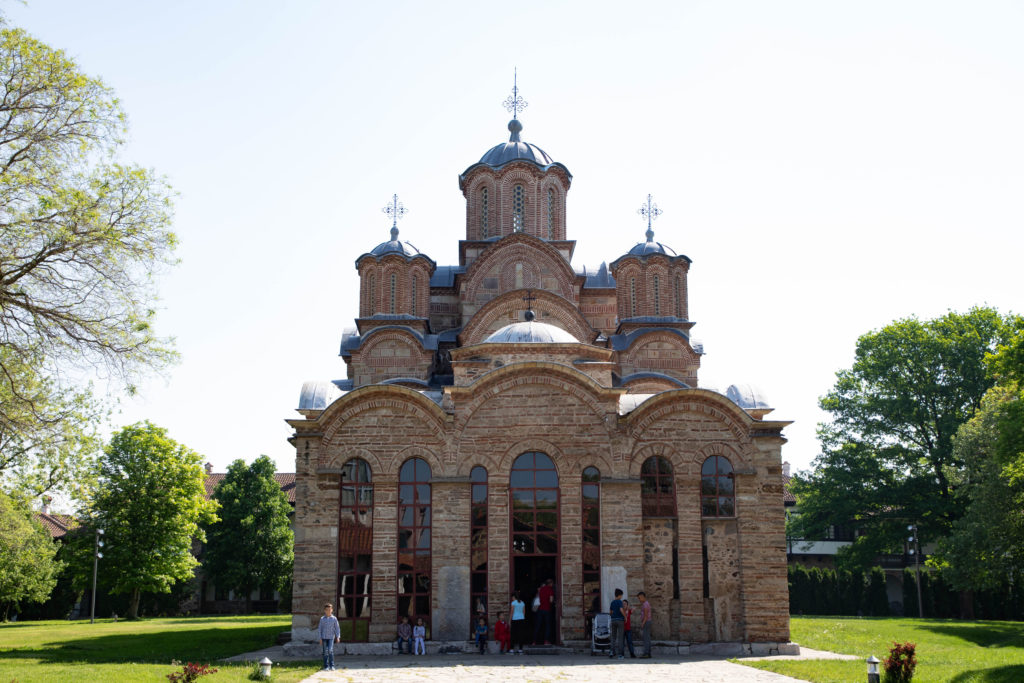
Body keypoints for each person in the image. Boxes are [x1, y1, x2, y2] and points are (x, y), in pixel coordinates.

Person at [318, 602, 341, 671]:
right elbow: (320, 629)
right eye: (327, 609)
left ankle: (332, 665)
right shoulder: (322, 619)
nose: (328, 611)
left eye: (329, 609)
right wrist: (320, 638)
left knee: (330, 651)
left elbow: (337, 628)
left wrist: (338, 636)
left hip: (331, 637)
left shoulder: (334, 619)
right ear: (324, 610)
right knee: (325, 652)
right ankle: (326, 666)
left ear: (332, 610)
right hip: (324, 638)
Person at [533, 578, 555, 644]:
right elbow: (551, 600)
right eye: (552, 583)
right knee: (547, 625)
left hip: (540, 609)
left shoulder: (541, 589)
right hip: (547, 609)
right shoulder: (550, 590)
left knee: (538, 625)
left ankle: (534, 641)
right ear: (550, 583)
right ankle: (546, 641)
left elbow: (537, 597)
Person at [608, 588, 625, 660]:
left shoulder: (612, 602)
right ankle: (620, 654)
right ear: (620, 595)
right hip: (620, 620)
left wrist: (613, 616)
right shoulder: (620, 602)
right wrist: (625, 616)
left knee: (613, 637)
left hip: (613, 620)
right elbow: (621, 610)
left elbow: (610, 612)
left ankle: (612, 651)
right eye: (621, 595)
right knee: (620, 637)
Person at [638, 591, 652, 658]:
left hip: (646, 622)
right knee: (648, 638)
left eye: (640, 598)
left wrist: (643, 623)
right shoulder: (646, 603)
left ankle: (646, 653)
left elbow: (646, 615)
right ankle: (648, 652)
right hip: (647, 621)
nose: (639, 599)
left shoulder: (645, 604)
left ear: (643, 597)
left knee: (646, 638)